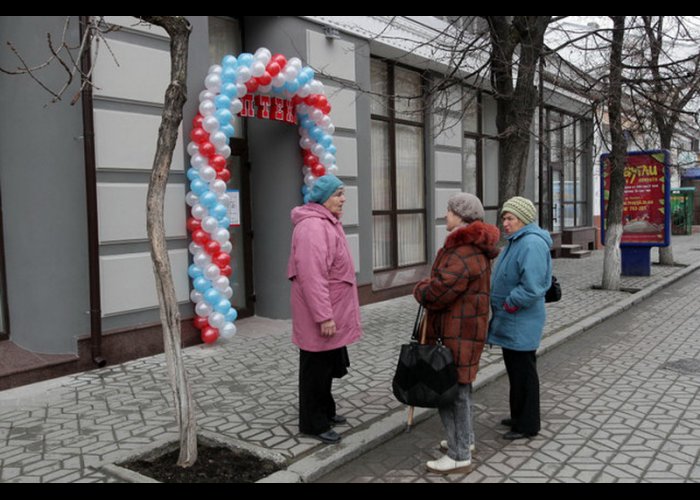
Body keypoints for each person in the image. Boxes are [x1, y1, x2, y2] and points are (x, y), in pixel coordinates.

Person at [413, 193, 500, 474]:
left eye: (449, 211)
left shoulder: (463, 251)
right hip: (465, 330)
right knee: (461, 389)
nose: (445, 215)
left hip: (456, 332)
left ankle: (459, 454)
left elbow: (441, 291)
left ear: (461, 215)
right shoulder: (473, 246)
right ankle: (466, 441)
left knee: (450, 393)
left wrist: (421, 289)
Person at [287, 174, 363, 445]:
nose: (343, 199)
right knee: (315, 369)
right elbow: (312, 275)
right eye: (338, 194)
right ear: (323, 198)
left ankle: (326, 411)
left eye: (343, 193)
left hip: (331, 309)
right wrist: (324, 316)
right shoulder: (312, 228)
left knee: (327, 365)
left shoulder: (327, 222)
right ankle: (313, 423)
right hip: (320, 314)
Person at [487, 196, 552, 441]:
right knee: (516, 371)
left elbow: (533, 287)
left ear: (523, 219)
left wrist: (509, 303)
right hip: (512, 319)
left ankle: (527, 425)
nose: (505, 223)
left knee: (524, 373)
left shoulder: (531, 244)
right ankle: (518, 416)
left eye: (510, 218)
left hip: (520, 319)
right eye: (504, 218)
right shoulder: (517, 241)